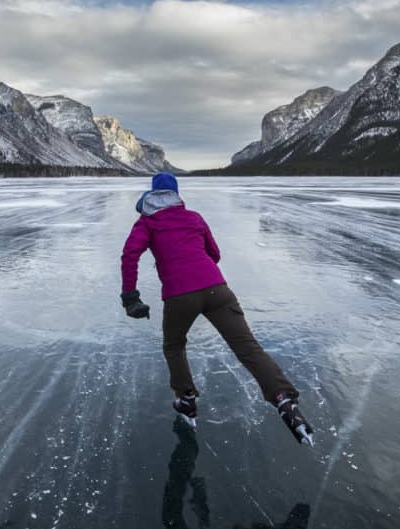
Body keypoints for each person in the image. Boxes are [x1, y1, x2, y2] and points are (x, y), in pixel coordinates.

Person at [120, 172, 313, 445]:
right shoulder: (194, 217)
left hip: (179, 296)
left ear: (152, 195)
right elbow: (215, 254)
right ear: (176, 194)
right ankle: (284, 400)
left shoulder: (147, 222)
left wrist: (130, 296)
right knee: (248, 346)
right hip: (217, 290)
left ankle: (186, 398)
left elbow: (129, 255)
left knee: (174, 345)